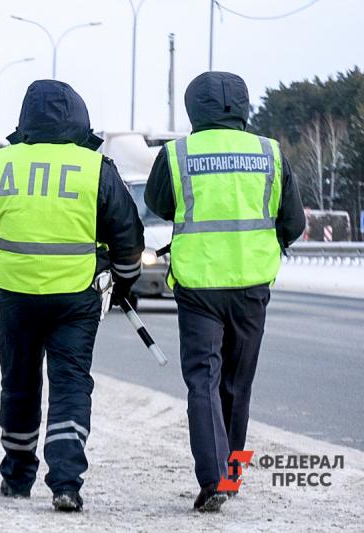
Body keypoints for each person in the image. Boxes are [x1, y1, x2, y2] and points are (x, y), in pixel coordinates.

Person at [0, 80, 144, 512]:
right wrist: (126, 279)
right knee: (71, 384)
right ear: (79, 118)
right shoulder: (95, 166)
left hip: (15, 294)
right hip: (76, 295)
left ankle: (17, 478)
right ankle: (66, 483)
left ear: (25, 120)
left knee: (18, 383)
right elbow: (128, 234)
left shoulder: (2, 163)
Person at [144, 72, 306, 512]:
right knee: (238, 387)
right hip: (253, 285)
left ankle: (214, 477)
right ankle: (231, 478)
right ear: (244, 106)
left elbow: (159, 203)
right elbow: (294, 222)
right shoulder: (269, 153)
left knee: (204, 380)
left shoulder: (177, 154)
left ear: (193, 109)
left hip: (198, 287)